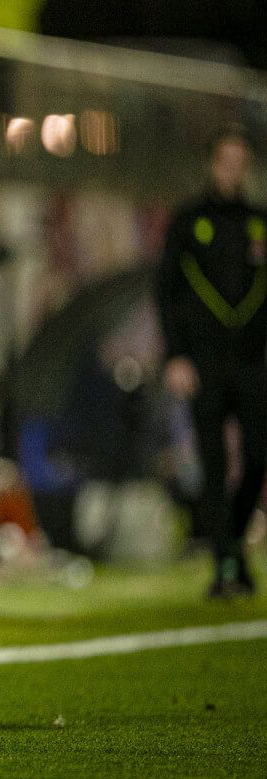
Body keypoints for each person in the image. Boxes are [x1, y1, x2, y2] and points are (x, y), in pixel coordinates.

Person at [155, 128, 266, 598]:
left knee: (258, 454)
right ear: (213, 164)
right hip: (204, 362)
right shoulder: (188, 221)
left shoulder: (258, 222)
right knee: (213, 464)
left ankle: (231, 544)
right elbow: (167, 292)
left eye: (240, 162)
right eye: (226, 161)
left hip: (253, 362)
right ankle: (225, 563)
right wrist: (176, 355)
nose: (232, 171)